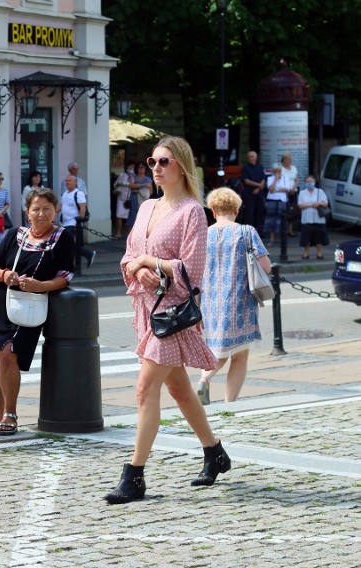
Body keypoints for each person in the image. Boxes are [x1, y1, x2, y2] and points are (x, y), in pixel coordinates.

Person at [106, 136, 228, 505]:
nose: (156, 168)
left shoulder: (193, 211)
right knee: (178, 389)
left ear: (181, 166)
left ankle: (135, 476)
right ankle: (215, 453)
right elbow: (129, 256)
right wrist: (137, 268)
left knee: (145, 389)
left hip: (173, 314)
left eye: (164, 162)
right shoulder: (146, 207)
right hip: (148, 309)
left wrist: (150, 265)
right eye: (152, 161)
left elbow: (191, 268)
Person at [0, 188, 74, 436]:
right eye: (36, 209)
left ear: (56, 210)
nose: (41, 214)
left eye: (47, 209)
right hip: (0, 303)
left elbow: (65, 276)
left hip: (31, 306)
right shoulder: (15, 234)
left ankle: (10, 413)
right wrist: (4, 275)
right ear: (27, 212)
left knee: (10, 354)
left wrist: (41, 286)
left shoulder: (62, 237)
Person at [197, 188, 271, 405]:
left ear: (212, 210)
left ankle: (205, 379)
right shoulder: (246, 232)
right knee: (238, 355)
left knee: (217, 348)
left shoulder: (203, 235)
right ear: (237, 210)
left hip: (209, 303)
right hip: (240, 302)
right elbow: (265, 266)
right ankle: (227, 401)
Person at [60, 175, 96, 268]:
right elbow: (61, 206)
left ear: (75, 182)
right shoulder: (65, 193)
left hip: (73, 223)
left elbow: (82, 208)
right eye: (66, 180)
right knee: (69, 245)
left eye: (69, 180)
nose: (67, 182)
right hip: (65, 223)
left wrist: (79, 223)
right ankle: (88, 254)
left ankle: (70, 265)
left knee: (68, 244)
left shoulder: (78, 193)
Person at [297, 175, 330, 260]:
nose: (309, 183)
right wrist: (312, 204)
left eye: (311, 181)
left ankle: (319, 254)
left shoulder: (320, 192)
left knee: (319, 238)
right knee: (306, 238)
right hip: (306, 219)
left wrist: (319, 204)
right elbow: (300, 205)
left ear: (314, 182)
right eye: (307, 182)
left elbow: (326, 204)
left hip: (318, 219)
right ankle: (306, 254)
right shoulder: (302, 193)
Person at [264, 166, 294, 245]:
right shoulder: (270, 178)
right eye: (276, 171)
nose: (277, 173)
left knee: (282, 219)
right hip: (272, 200)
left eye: (279, 171)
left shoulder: (286, 178)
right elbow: (270, 189)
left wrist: (276, 190)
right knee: (271, 220)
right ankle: (271, 239)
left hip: (282, 200)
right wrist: (275, 180)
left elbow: (287, 189)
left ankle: (283, 239)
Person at [240, 151, 267, 233]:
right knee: (249, 214)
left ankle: (260, 232)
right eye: (249, 157)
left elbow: (263, 179)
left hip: (259, 194)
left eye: (252, 156)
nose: (251, 158)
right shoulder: (245, 168)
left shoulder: (260, 167)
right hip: (249, 194)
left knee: (260, 213)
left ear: (256, 157)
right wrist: (259, 185)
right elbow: (246, 181)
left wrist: (258, 188)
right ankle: (249, 232)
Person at [126, 163, 154, 228]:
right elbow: (131, 186)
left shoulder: (148, 179)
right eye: (141, 167)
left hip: (144, 200)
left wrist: (138, 190)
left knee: (144, 217)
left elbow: (151, 191)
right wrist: (144, 185)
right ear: (137, 168)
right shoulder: (133, 177)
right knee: (133, 217)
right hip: (134, 199)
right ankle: (130, 236)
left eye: (144, 167)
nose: (143, 169)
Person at [279, 153, 300, 237]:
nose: (289, 161)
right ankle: (284, 229)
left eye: (290, 160)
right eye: (287, 160)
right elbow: (280, 181)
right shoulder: (280, 169)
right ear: (283, 161)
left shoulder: (294, 168)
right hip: (284, 192)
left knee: (293, 210)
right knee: (285, 210)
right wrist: (288, 189)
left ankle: (290, 230)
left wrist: (294, 187)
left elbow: (296, 179)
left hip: (293, 191)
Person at [113, 164, 134, 238]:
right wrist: (121, 183)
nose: (131, 168)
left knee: (130, 217)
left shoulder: (134, 176)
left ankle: (129, 234)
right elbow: (115, 184)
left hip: (129, 198)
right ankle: (118, 232)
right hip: (121, 198)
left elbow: (134, 185)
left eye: (132, 167)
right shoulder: (122, 175)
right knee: (119, 215)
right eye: (129, 167)